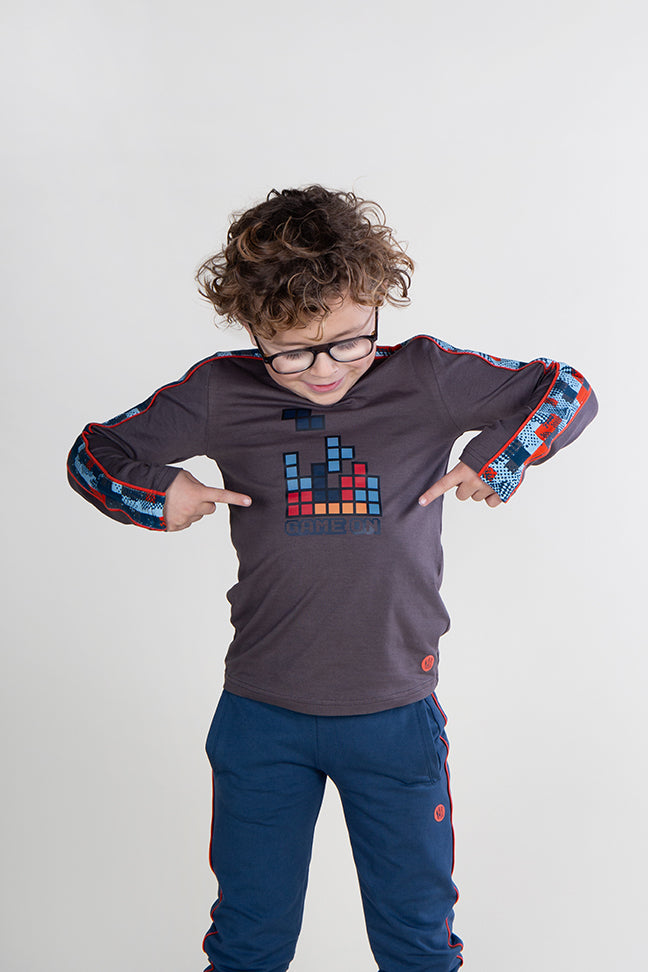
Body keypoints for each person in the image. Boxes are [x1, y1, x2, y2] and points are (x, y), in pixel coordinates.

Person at [67, 185, 598, 972]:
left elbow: (567, 390)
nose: (323, 370)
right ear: (253, 327)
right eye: (291, 351)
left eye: (349, 342)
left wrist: (498, 458)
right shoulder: (220, 391)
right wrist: (158, 493)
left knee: (418, 941)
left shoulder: (427, 376)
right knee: (248, 942)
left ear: (378, 300)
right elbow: (94, 454)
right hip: (261, 716)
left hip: (396, 716)